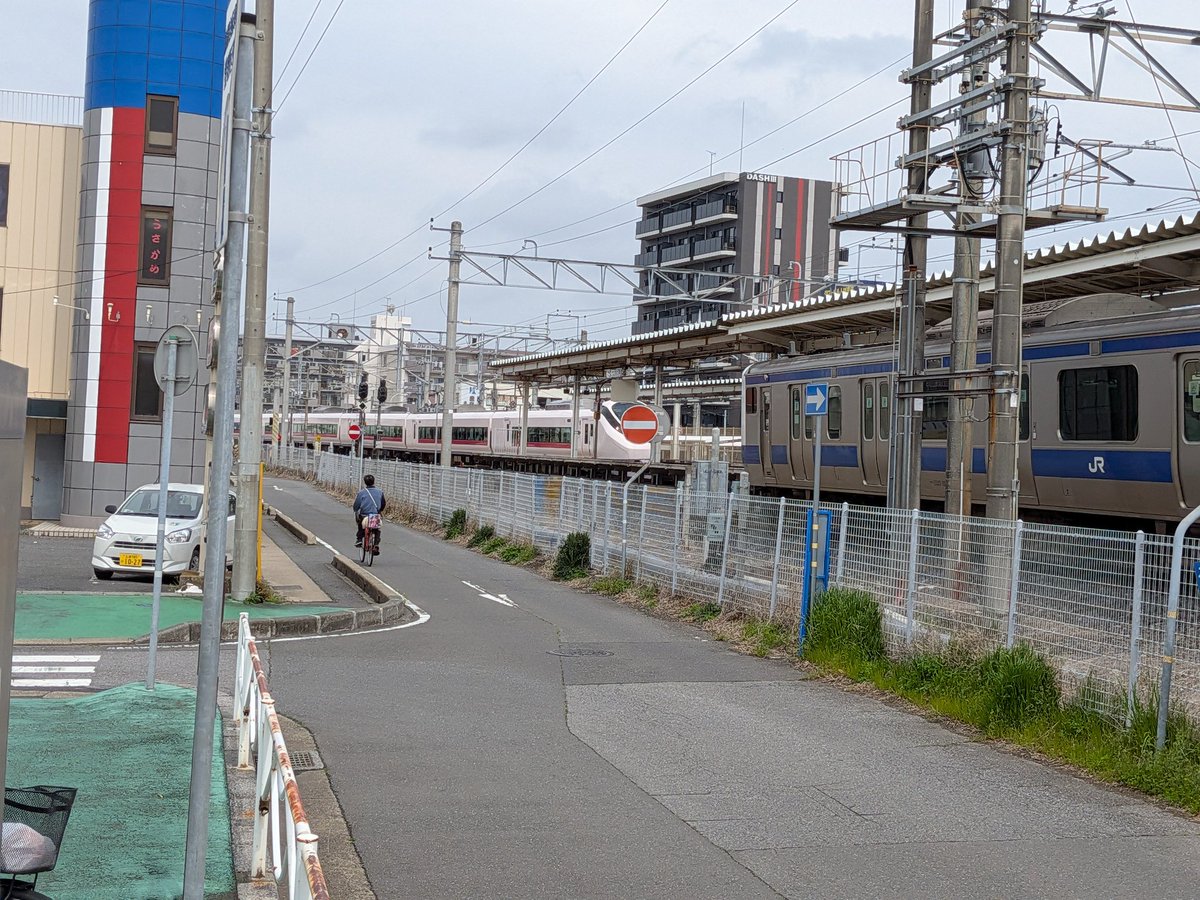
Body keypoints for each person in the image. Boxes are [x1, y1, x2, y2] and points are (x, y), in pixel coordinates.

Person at [353, 474, 387, 547]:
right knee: (377, 529)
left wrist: (356, 510)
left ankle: (359, 539)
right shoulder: (380, 492)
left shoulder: (361, 493)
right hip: (375, 515)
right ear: (374, 481)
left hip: (364, 515)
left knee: (360, 523)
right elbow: (383, 503)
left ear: (365, 482)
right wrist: (380, 510)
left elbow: (356, 506)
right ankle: (376, 544)